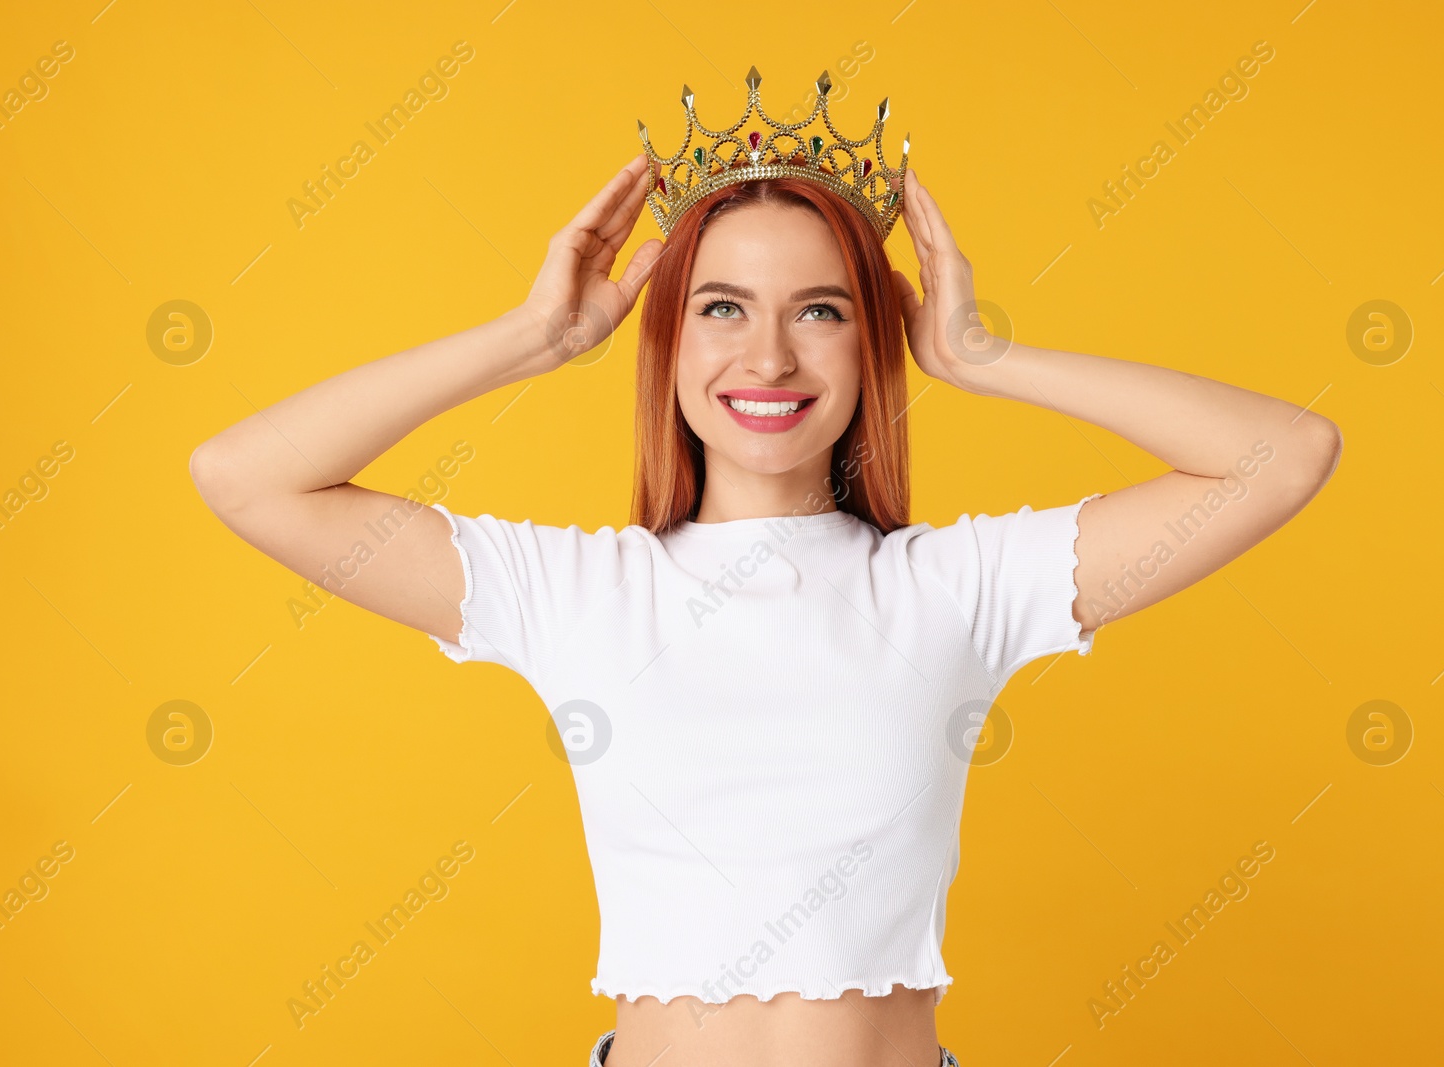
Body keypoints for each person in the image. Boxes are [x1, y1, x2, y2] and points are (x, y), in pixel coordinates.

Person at [191, 141, 1340, 1065]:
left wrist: (986, 358)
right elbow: (244, 476)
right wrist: (526, 338)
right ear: (669, 336)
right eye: (724, 308)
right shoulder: (577, 591)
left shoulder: (959, 585)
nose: (772, 357)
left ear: (874, 336)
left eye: (824, 310)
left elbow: (1283, 455)